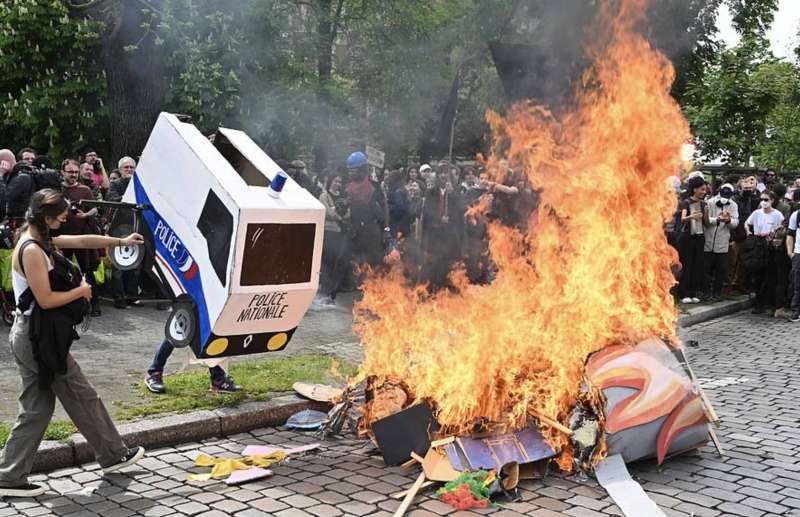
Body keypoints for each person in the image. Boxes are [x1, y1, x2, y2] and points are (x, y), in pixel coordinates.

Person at [0, 190, 145, 498]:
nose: (64, 221)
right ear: (46, 217)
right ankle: (112, 454)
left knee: (38, 408)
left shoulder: (38, 239)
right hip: (37, 339)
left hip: (33, 335)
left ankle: (10, 475)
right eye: (61, 217)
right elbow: (46, 299)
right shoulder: (32, 250)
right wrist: (82, 291)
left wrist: (120, 243)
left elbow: (80, 242)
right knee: (81, 394)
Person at [59, 159, 102, 317]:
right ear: (63, 172)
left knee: (87, 271)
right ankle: (64, 303)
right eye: (70, 172)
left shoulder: (84, 189)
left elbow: (96, 209)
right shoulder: (58, 189)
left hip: (81, 236)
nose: (74, 175)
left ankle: (94, 304)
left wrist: (86, 214)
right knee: (63, 271)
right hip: (62, 237)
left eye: (76, 172)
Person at [419, 167, 463, 289]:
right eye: (441, 173)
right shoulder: (431, 192)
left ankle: (446, 294)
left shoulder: (455, 193)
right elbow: (427, 212)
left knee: (448, 265)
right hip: (434, 236)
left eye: (446, 173)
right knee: (432, 265)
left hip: (449, 237)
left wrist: (452, 194)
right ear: (437, 176)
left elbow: (460, 213)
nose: (443, 176)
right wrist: (439, 220)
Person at [145, 338, 241, 393]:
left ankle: (218, 379)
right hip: (187, 303)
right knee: (177, 332)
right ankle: (154, 373)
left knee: (209, 335)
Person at [107, 157, 140, 309]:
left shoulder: (140, 184)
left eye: (132, 167)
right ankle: (119, 298)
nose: (129, 170)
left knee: (135, 264)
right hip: (119, 229)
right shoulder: (115, 184)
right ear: (120, 170)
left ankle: (132, 296)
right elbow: (113, 199)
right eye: (126, 167)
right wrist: (130, 199)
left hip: (136, 227)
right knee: (118, 265)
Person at [345, 151, 388, 267]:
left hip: (372, 232)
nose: (350, 173)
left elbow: (385, 209)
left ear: (361, 169)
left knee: (374, 265)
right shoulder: (347, 188)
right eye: (349, 170)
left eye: (352, 170)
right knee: (356, 266)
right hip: (355, 233)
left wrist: (386, 230)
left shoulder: (374, 186)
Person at [745, 191, 785, 314]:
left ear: (772, 200)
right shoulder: (756, 213)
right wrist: (748, 231)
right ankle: (759, 303)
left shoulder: (777, 214)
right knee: (757, 274)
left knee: (770, 274)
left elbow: (782, 227)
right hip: (757, 242)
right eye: (762, 199)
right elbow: (747, 222)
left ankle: (770, 302)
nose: (763, 202)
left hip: (770, 245)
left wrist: (774, 233)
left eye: (766, 199)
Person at [318, 174, 350, 306]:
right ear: (330, 181)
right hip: (328, 231)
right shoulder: (324, 196)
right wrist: (338, 214)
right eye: (335, 181)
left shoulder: (343, 197)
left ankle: (329, 293)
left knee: (336, 262)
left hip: (339, 233)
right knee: (326, 261)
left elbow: (348, 213)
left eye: (339, 181)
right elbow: (326, 212)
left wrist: (338, 214)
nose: (337, 183)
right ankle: (323, 291)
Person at [703, 183, 739, 301]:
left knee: (721, 269)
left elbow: (735, 222)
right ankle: (707, 292)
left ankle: (717, 292)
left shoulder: (733, 205)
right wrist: (717, 219)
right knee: (707, 269)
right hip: (708, 239)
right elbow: (706, 220)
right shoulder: (710, 202)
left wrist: (728, 220)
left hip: (723, 241)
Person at [677, 176, 707, 304]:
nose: (704, 192)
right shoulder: (686, 202)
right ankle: (684, 293)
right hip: (687, 237)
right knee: (687, 264)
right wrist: (692, 216)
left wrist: (706, 214)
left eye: (705, 189)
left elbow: (706, 222)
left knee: (697, 265)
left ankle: (693, 292)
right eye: (702, 189)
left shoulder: (704, 204)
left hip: (700, 236)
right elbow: (683, 219)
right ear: (694, 189)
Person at [729, 176, 759, 292]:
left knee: (743, 262)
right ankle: (729, 285)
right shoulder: (733, 200)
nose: (748, 190)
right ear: (739, 188)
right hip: (735, 235)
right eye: (745, 188)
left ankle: (739, 284)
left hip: (747, 235)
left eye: (749, 188)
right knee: (732, 261)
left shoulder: (753, 199)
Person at [787, 205, 800, 322]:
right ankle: (796, 310)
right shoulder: (796, 215)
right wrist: (790, 252)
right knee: (797, 284)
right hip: (798, 253)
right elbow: (790, 234)